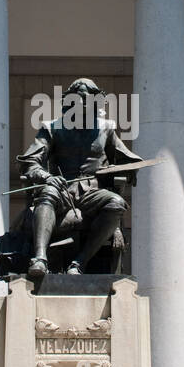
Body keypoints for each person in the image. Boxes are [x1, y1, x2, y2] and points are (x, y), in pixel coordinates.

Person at [16, 78, 143, 279]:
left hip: (93, 193)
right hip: (61, 189)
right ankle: (40, 259)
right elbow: (30, 161)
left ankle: (80, 262)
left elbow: (124, 157)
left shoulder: (106, 128)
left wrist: (131, 168)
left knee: (117, 203)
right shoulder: (52, 127)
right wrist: (47, 177)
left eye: (85, 100)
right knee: (47, 192)